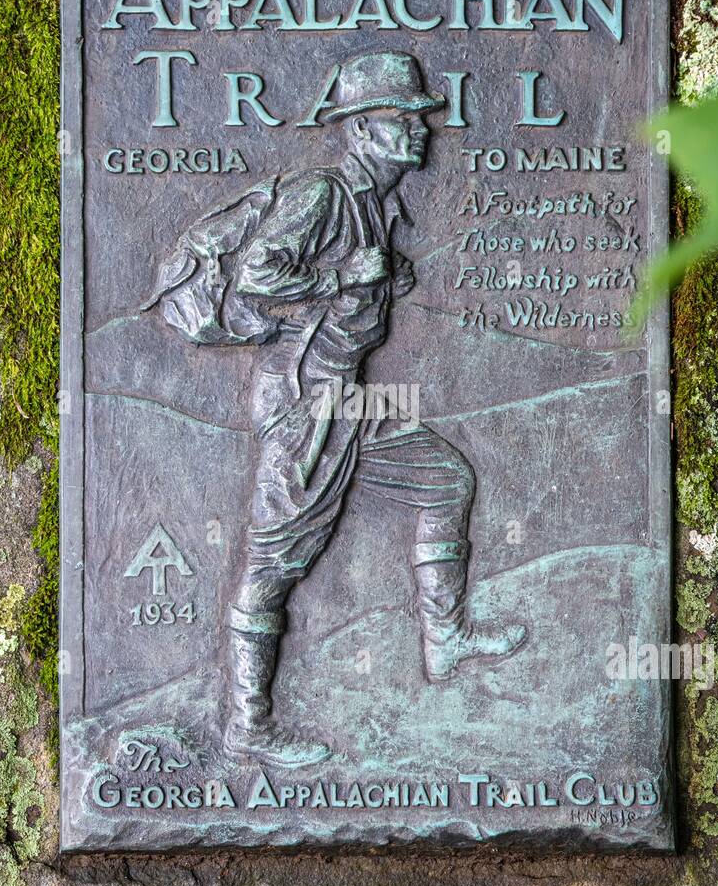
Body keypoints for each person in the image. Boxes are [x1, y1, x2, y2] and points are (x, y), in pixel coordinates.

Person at [224, 50, 526, 767]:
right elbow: (256, 277)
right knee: (276, 560)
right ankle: (247, 725)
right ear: (359, 130)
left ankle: (444, 640)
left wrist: (385, 280)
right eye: (400, 119)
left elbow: (358, 289)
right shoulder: (323, 194)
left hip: (354, 394)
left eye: (418, 116)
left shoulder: (376, 202)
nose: (419, 129)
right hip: (306, 402)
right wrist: (340, 276)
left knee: (445, 480)